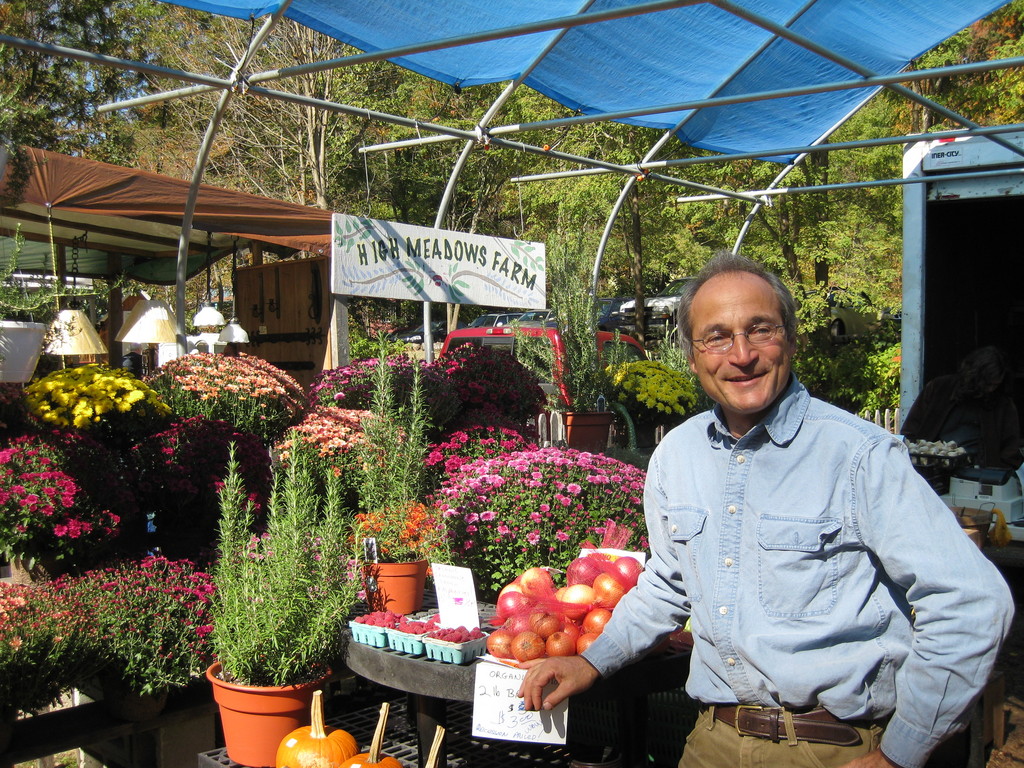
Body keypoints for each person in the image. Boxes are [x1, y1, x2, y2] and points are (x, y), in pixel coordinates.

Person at [519, 252, 1014, 768]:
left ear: (791, 341)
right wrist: (592, 662)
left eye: (760, 330)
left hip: (832, 749)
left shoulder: (858, 456)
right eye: (716, 337)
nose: (741, 355)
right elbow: (667, 584)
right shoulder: (677, 457)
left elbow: (970, 602)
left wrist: (901, 752)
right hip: (711, 743)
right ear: (692, 355)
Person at [901, 346, 1022, 469]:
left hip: (977, 471)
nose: (990, 389)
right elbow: (910, 431)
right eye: (986, 384)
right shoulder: (939, 388)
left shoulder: (1002, 405)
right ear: (973, 376)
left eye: (994, 385)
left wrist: (999, 473)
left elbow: (1010, 450)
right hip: (934, 467)